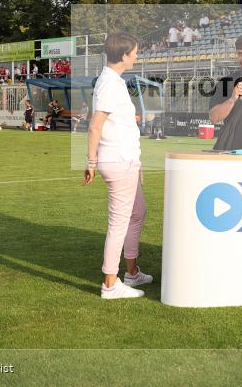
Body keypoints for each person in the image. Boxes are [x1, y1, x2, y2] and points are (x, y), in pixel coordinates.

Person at [84, 32, 151, 300]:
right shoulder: (109, 83)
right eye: (134, 53)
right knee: (119, 224)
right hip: (118, 161)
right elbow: (95, 126)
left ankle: (132, 272)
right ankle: (110, 285)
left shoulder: (114, 82)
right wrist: (90, 161)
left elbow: (122, 127)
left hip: (126, 160)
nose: (136, 56)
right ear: (124, 55)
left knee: (138, 212)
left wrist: (137, 161)